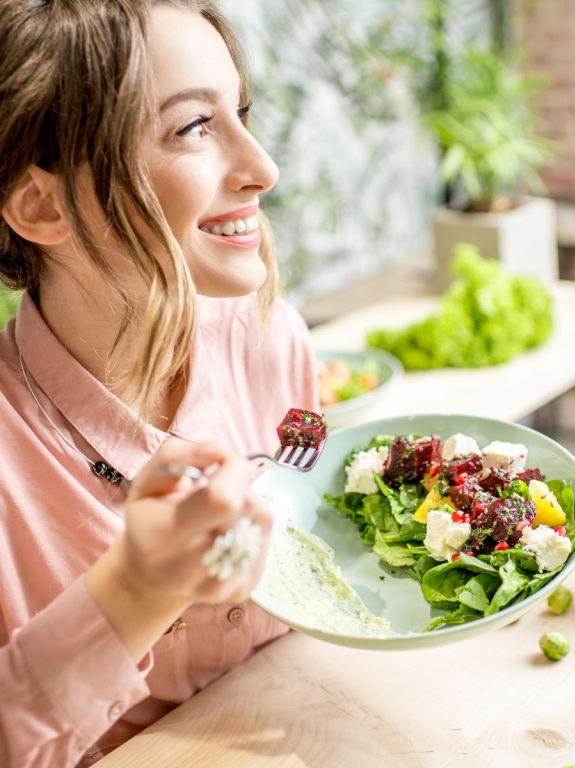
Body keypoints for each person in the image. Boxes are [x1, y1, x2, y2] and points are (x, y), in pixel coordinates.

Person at [0, 1, 319, 765]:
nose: (263, 167)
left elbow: (316, 511)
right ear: (42, 205)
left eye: (238, 110)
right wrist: (136, 590)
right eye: (194, 128)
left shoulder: (273, 338)